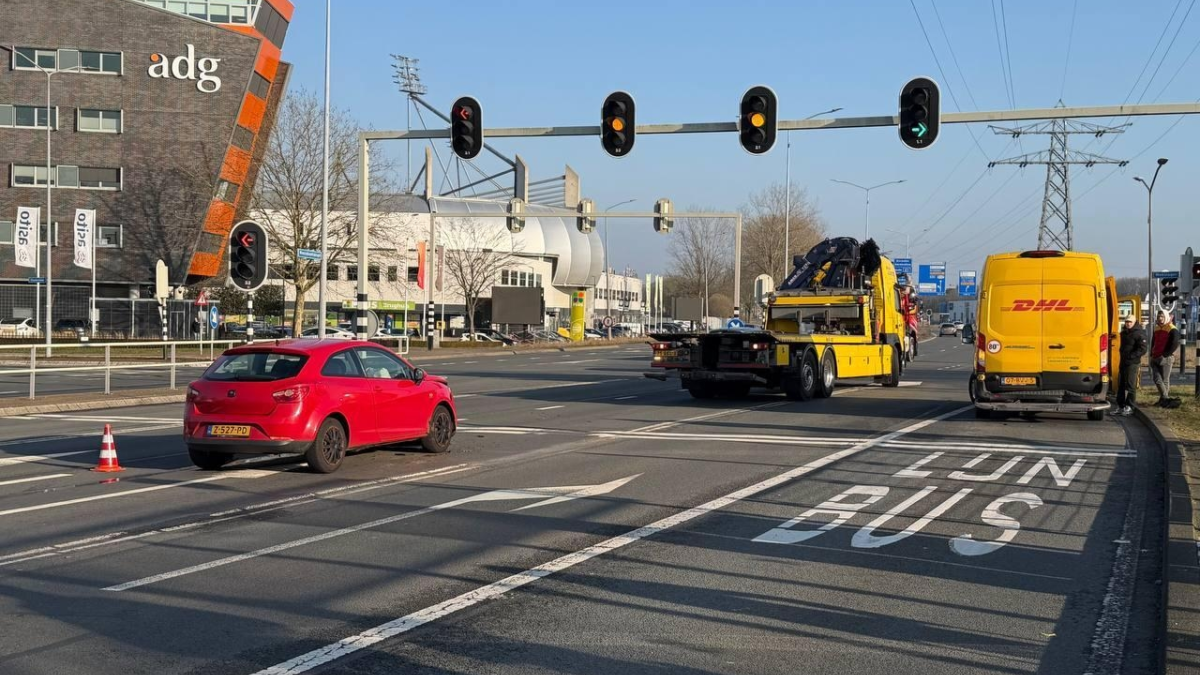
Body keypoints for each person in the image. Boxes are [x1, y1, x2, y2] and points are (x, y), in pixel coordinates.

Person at [1116, 315, 1147, 416]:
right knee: (1121, 385)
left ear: (1134, 322)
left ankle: (1130, 406)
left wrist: (1131, 356)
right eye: (1126, 322)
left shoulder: (1139, 333)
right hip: (1123, 362)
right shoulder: (1124, 333)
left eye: (1130, 322)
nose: (1128, 323)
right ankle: (1120, 406)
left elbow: (1143, 349)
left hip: (1132, 363)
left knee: (1130, 385)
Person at [1150, 309, 1181, 406]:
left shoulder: (1172, 329)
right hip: (1155, 357)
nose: (1160, 318)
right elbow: (1153, 341)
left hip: (1165, 358)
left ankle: (1163, 400)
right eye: (1159, 316)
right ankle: (1165, 399)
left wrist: (1165, 354)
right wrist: (1151, 353)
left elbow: (1175, 343)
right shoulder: (1156, 328)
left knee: (1164, 380)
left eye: (1162, 316)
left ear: (1166, 317)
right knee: (1157, 378)